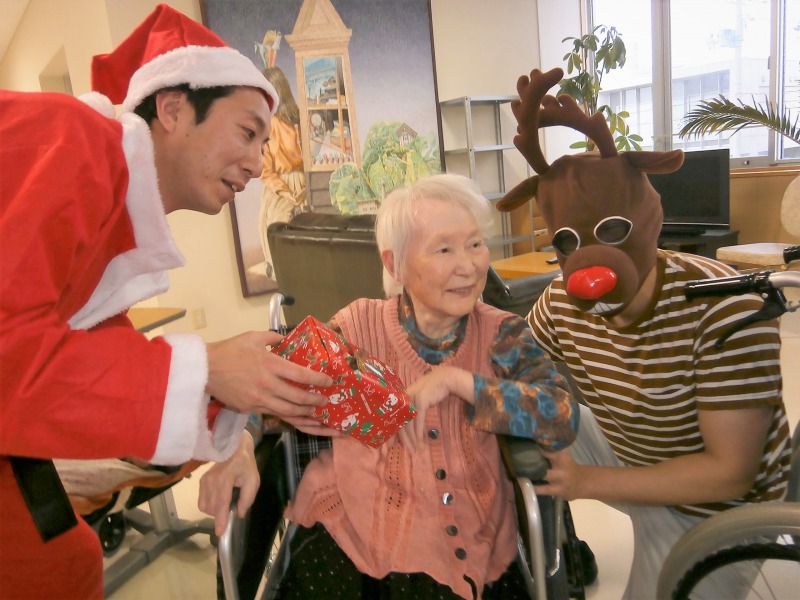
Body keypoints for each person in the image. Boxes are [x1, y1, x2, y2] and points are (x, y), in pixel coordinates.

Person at [0, 5, 332, 599]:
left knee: (65, 563)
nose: (259, 165)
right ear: (173, 109)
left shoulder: (108, 228)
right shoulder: (71, 140)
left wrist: (237, 425)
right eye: (248, 132)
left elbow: (100, 368)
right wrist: (210, 366)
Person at [496, 67, 792, 600]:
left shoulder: (724, 305)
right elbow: (504, 359)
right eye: (567, 242)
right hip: (630, 450)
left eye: (612, 231)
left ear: (646, 220)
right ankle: (543, 557)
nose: (588, 260)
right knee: (501, 413)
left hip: (711, 508)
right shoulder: (562, 301)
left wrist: (587, 482)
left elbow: (729, 474)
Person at [272, 173, 579, 600]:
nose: (468, 265)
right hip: (358, 527)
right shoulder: (358, 325)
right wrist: (241, 444)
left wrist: (458, 382)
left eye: (475, 244)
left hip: (476, 533)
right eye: (444, 249)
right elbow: (276, 380)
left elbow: (562, 417)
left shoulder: (501, 333)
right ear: (394, 264)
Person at [258, 61, 307, 283]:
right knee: (277, 229)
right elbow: (266, 170)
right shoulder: (267, 125)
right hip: (279, 189)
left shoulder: (300, 120)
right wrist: (285, 192)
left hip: (303, 185)